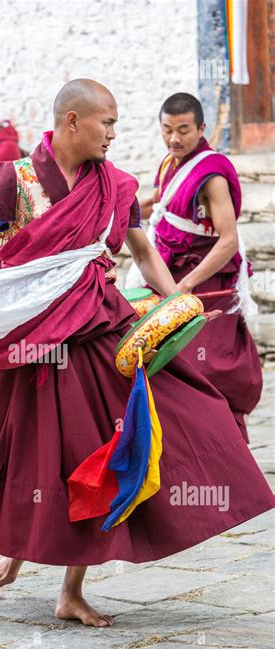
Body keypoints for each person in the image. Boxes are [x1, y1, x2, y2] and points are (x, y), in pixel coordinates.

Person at [0, 80, 274, 628]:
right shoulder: (14, 180)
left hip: (97, 331)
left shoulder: (117, 186)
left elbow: (145, 255)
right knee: (35, 452)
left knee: (112, 442)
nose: (114, 133)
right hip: (29, 340)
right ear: (73, 121)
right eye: (107, 122)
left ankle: (70, 590)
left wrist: (177, 299)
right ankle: (21, 546)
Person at [128, 93, 262, 442]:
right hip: (171, 277)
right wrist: (124, 208)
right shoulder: (170, 164)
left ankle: (226, 450)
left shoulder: (212, 174)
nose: (174, 138)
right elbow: (163, 199)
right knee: (168, 367)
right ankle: (183, 448)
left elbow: (229, 240)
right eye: (168, 129)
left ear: (202, 128)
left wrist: (186, 285)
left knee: (207, 370)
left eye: (184, 130)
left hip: (205, 282)